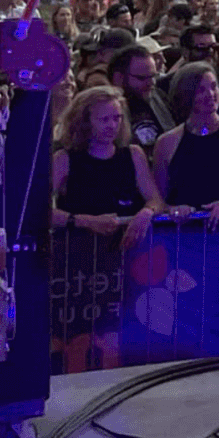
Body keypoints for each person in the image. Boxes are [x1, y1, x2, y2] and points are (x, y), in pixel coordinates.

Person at [50, 86, 165, 371]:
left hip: (126, 257)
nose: (111, 126)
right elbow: (40, 211)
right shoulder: (65, 158)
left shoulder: (133, 154)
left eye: (116, 118)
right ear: (85, 121)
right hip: (78, 262)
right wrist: (84, 220)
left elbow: (155, 199)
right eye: (104, 120)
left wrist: (146, 213)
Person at [152, 61, 219, 225]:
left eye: (213, 86)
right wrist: (174, 209)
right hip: (187, 234)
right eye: (200, 90)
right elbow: (159, 199)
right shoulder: (166, 142)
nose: (210, 94)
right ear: (186, 95)